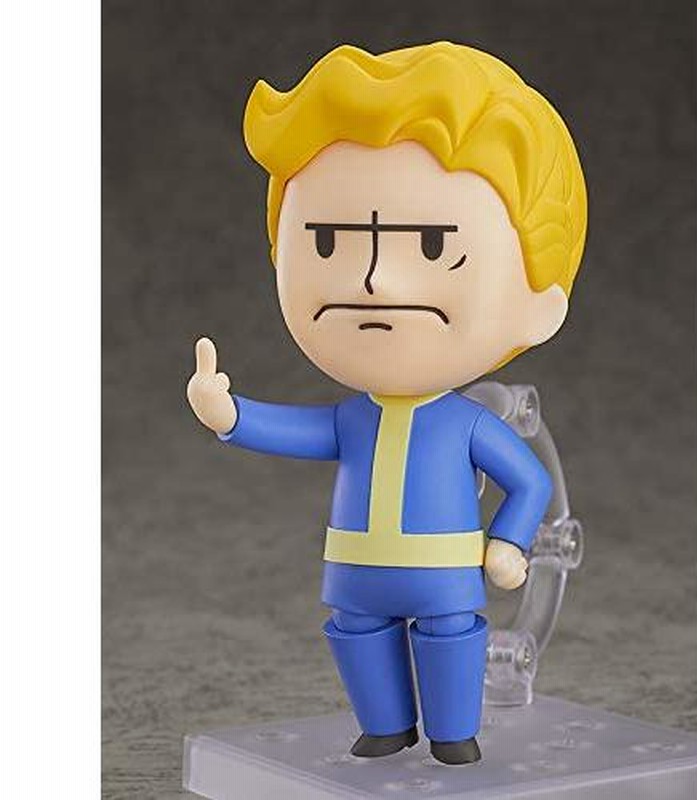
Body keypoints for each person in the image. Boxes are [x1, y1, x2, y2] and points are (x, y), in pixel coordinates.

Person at [187, 42, 587, 765]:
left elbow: (529, 481)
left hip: (446, 573)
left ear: (541, 303)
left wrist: (510, 541)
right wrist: (231, 415)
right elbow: (298, 431)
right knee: (357, 632)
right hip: (357, 570)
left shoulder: (464, 423)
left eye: (432, 245)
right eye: (328, 242)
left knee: (450, 636)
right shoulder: (352, 419)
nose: (372, 281)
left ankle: (454, 733)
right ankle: (385, 725)